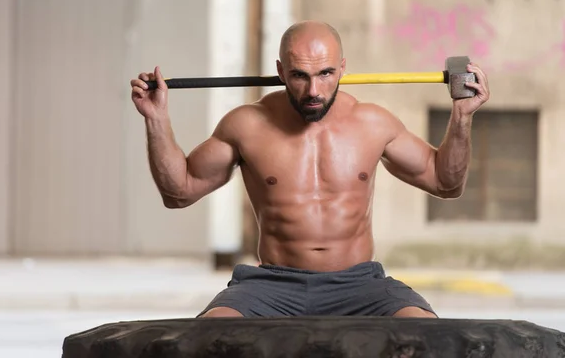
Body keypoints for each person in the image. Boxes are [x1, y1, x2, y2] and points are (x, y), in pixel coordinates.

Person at [130, 20, 490, 319]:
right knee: (209, 338)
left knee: (429, 336)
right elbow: (180, 192)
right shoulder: (247, 125)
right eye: (300, 75)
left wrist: (462, 116)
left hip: (359, 284)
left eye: (326, 73)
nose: (314, 90)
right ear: (280, 71)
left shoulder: (373, 123)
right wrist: (156, 119)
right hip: (271, 285)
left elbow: (446, 183)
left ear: (343, 68)